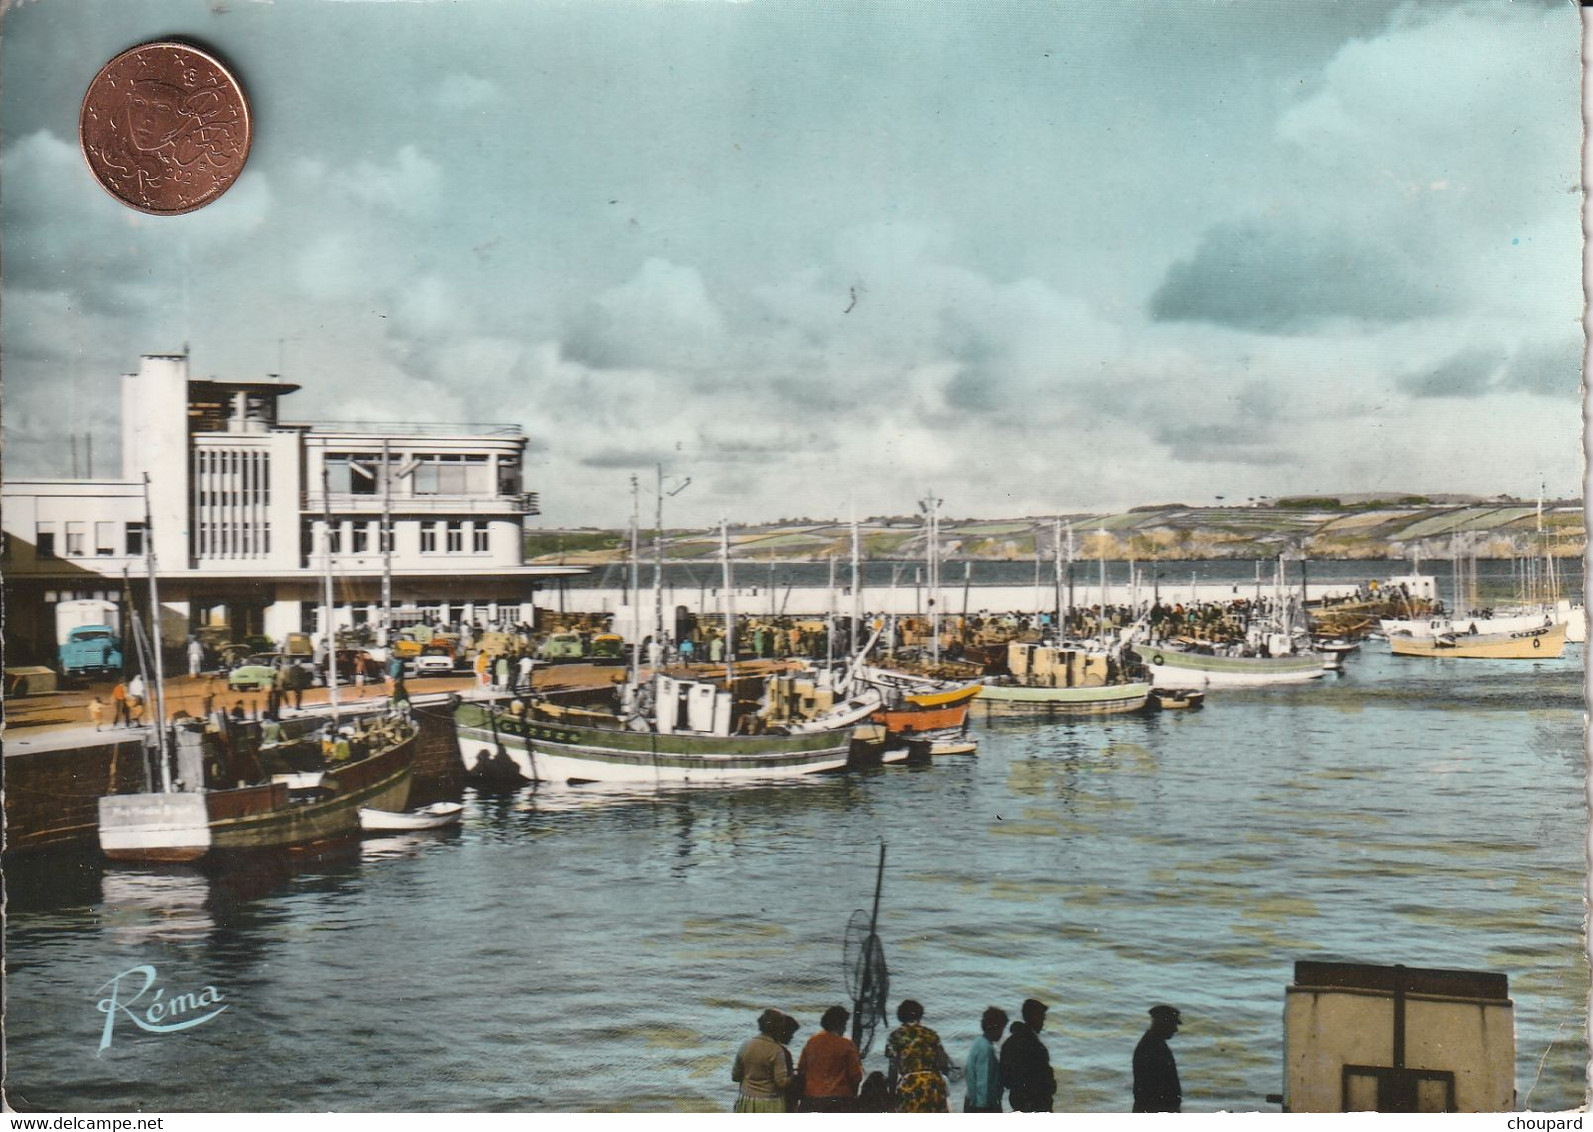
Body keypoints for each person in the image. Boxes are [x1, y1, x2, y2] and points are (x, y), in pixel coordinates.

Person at [884, 999, 950, 1113]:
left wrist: (891, 1093)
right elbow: (944, 1063)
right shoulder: (931, 1034)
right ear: (920, 1015)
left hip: (910, 1086)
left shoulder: (895, 1036)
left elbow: (893, 1068)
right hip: (934, 1086)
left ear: (901, 1017)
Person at [797, 1006, 863, 1112]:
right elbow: (856, 1076)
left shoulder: (812, 1042)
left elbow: (801, 1069)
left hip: (811, 1097)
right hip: (838, 1099)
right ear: (841, 1025)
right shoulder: (846, 1045)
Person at [1000, 999, 1056, 1112]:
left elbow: (1005, 1079)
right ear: (1034, 1016)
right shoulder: (1036, 1046)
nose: (1043, 1022)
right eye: (1041, 1018)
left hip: (1017, 1103)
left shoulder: (1009, 1043)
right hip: (1038, 1105)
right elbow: (1046, 1080)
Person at [731, 1008, 791, 1113]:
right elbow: (781, 1082)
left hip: (746, 1100)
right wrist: (793, 1077)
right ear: (779, 1028)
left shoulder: (745, 1045)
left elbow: (735, 1077)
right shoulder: (777, 1050)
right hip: (770, 1103)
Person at [1132, 1004, 1183, 1113]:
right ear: (1163, 1024)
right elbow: (1152, 1089)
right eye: (1173, 1024)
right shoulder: (1152, 1047)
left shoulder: (1153, 1044)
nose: (1175, 1029)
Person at [963, 1007, 1007, 1112]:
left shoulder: (978, 1042)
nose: (1002, 1033)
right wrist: (983, 1107)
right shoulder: (986, 1049)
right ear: (995, 1027)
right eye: (1002, 1029)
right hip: (981, 1106)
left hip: (970, 1100)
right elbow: (984, 1081)